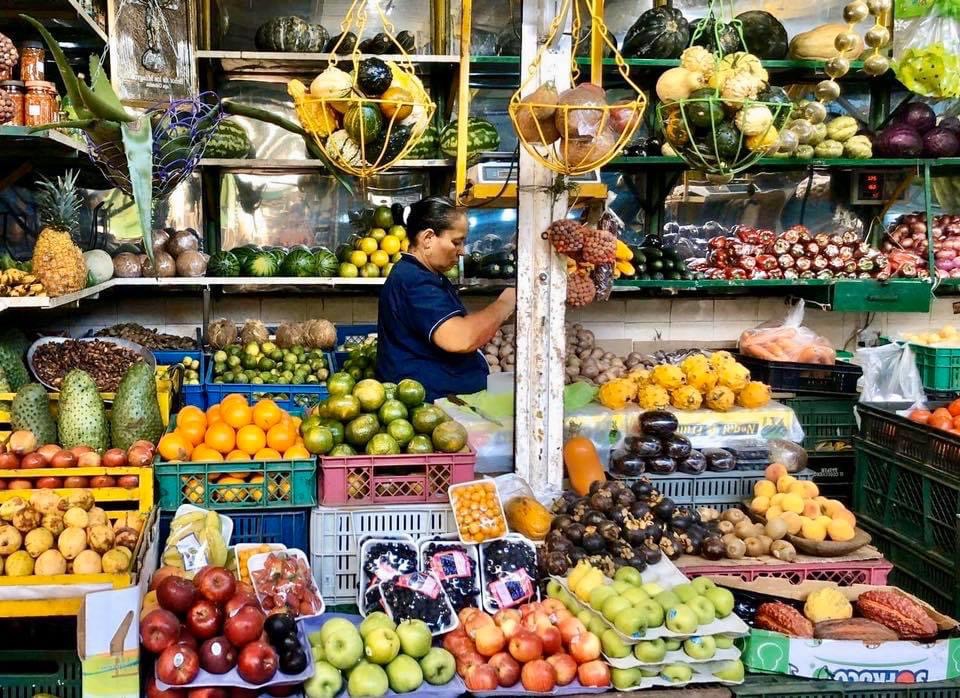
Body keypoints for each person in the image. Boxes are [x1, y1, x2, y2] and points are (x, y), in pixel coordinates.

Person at [377, 196, 516, 401]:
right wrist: (504, 304)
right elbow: (460, 338)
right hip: (430, 407)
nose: (461, 251)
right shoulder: (414, 281)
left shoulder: (426, 275)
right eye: (456, 242)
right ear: (428, 238)